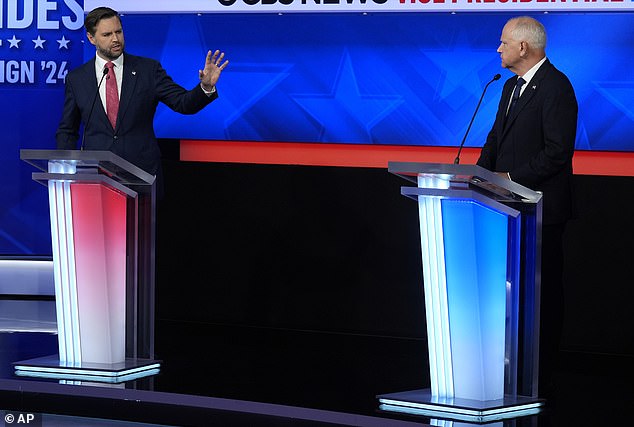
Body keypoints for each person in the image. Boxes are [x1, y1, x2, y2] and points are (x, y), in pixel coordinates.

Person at [477, 16, 578, 397]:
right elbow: (494, 140)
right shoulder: (509, 88)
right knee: (510, 292)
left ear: (524, 47)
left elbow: (556, 154)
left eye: (504, 42)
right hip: (507, 207)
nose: (498, 49)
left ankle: (543, 374)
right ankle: (511, 369)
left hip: (542, 211)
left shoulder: (556, 87)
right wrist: (476, 175)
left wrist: (508, 178)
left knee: (543, 293)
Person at [56, 6, 228, 185]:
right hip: (96, 176)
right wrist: (64, 171)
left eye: (119, 32)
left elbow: (183, 103)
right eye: (107, 35)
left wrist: (205, 87)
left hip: (141, 175)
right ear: (91, 38)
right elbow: (67, 130)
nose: (115, 39)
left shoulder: (148, 70)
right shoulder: (77, 79)